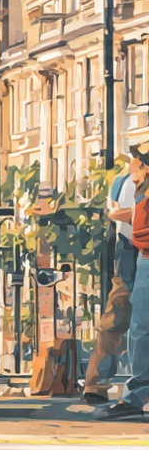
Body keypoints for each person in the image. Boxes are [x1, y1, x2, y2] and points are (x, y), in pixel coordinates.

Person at [83, 136, 148, 405]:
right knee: (119, 314)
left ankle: (100, 383)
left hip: (136, 247)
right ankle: (96, 383)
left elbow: (120, 214)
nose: (137, 161)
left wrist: (129, 214)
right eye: (138, 157)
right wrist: (130, 214)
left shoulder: (132, 180)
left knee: (128, 319)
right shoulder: (127, 180)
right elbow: (114, 213)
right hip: (129, 248)